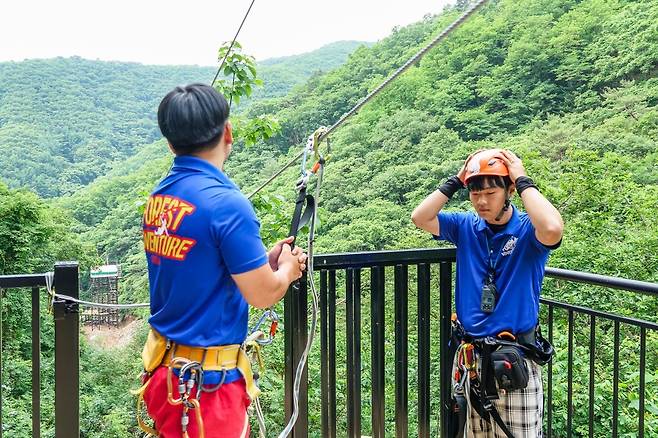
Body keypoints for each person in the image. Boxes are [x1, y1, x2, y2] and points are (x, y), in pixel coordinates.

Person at [138, 83, 307, 438]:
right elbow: (262, 295)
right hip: (206, 388)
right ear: (227, 132)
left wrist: (260, 260)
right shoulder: (227, 204)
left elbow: (198, 265)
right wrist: (287, 271)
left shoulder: (159, 199)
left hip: (166, 374)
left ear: (170, 142)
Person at [411, 149, 563, 437]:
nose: (481, 201)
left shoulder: (529, 232)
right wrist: (458, 178)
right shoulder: (465, 226)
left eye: (491, 193)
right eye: (474, 192)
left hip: (514, 355)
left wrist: (522, 179)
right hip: (472, 357)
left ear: (509, 191)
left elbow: (553, 228)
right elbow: (420, 217)